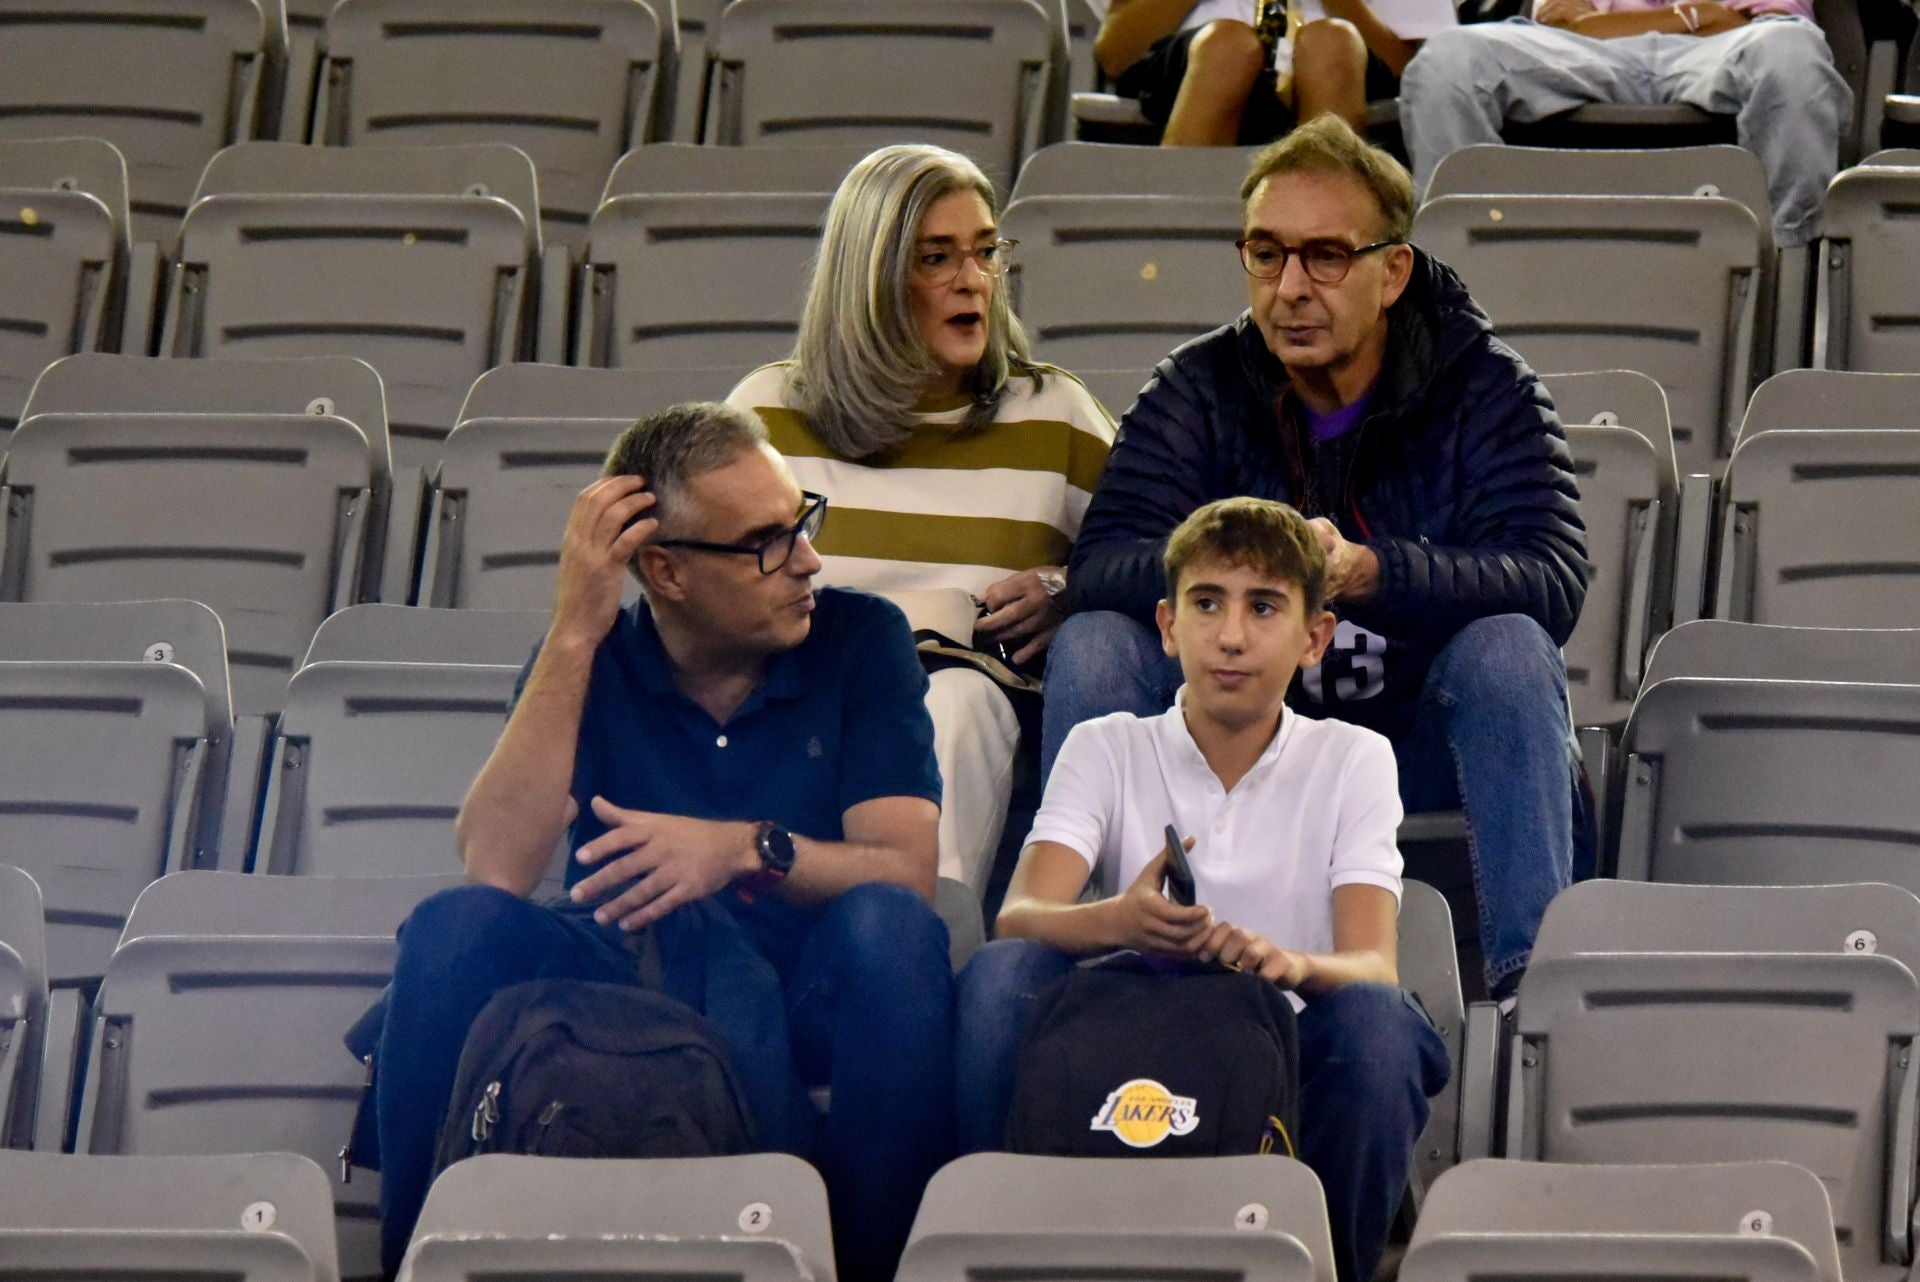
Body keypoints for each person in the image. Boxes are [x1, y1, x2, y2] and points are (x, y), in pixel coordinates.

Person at [370, 403, 953, 1282]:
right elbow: (495, 865)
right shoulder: (589, 655)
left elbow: (904, 872)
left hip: (803, 981)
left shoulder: (859, 639)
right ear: (666, 572)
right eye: (767, 542)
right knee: (452, 930)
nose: (807, 560)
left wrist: (740, 848)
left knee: (894, 935)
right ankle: (412, 1263)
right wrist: (574, 627)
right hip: (626, 967)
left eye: (803, 522)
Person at [1045, 116, 1589, 997]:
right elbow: (1102, 566)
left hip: (1417, 741)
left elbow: (1550, 578)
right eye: (1267, 254)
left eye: (1325, 257)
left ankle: (1535, 993)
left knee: (1511, 650)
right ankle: (1090, 964)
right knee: (1097, 641)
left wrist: (1376, 572)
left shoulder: (1485, 386)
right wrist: (1251, 575)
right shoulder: (1201, 385)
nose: (1292, 287)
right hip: (1240, 739)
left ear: (1393, 270)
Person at [957, 497, 1449, 1282]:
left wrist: (1278, 961)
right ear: (1166, 624)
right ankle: (989, 1247)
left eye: (1264, 608)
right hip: (1127, 1034)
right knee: (996, 977)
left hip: (1282, 1048)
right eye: (1207, 603)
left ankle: (1330, 1268)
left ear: (1314, 637)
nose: (1230, 636)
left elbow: (1372, 966)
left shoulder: (1354, 758)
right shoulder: (1105, 744)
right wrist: (1120, 920)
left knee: (1380, 1027)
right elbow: (1021, 919)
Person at [728, 143, 1114, 895]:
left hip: (969, 715)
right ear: (869, 279)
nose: (973, 281)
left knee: (958, 702)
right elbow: (712, 590)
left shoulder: (1055, 416)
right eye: (937, 258)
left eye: (984, 253)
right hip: (798, 710)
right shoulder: (768, 412)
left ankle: (915, 945)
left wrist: (1069, 587)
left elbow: (1166, 560)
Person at [1398, 0, 1851, 248]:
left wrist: (1607, 21)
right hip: (1584, 54)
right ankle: (1463, 259)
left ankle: (1789, 263)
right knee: (1448, 60)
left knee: (1792, 55)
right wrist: (1691, 15)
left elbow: (1758, 20)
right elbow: (1561, 17)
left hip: (1726, 48)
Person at [1090, 0, 1453, 145]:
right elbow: (1116, 54)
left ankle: (1329, 254)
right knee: (1227, 47)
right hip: (1196, 60)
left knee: (1332, 45)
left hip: (1344, 67)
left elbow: (1413, 69)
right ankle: (1173, 245)